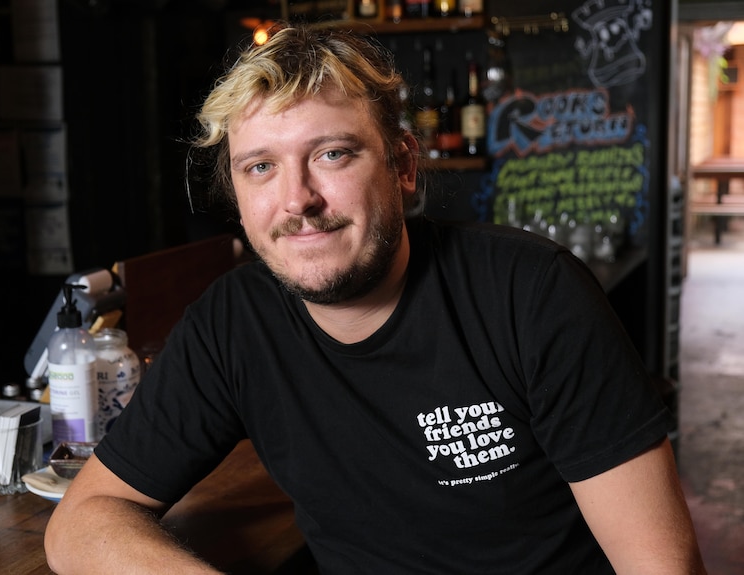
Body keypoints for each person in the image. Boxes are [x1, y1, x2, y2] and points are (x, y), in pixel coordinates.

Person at [45, 24, 706, 574]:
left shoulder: (531, 293)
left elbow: (661, 567)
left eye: (332, 154)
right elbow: (79, 521)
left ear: (404, 165)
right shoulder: (232, 322)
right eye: (260, 167)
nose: (297, 200)